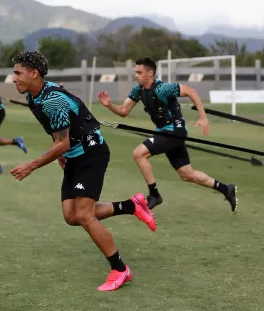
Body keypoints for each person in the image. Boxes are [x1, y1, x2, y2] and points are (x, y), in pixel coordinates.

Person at [8, 51, 156, 292]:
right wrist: (62, 152)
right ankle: (132, 205)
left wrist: (31, 165)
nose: (13, 78)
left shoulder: (50, 99)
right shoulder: (34, 96)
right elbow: (60, 136)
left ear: (34, 73)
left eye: (17, 72)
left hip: (91, 153)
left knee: (86, 216)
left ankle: (120, 269)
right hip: (74, 155)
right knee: (71, 216)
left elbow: (63, 141)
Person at [96, 57, 238, 212]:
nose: (136, 75)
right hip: (164, 132)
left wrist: (203, 117)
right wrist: (109, 105)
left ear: (150, 73)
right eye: (135, 72)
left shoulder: (163, 88)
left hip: (175, 131)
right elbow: (124, 111)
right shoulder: (138, 90)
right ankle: (226, 189)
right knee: (187, 174)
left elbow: (191, 91)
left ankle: (154, 195)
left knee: (139, 154)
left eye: (139, 72)